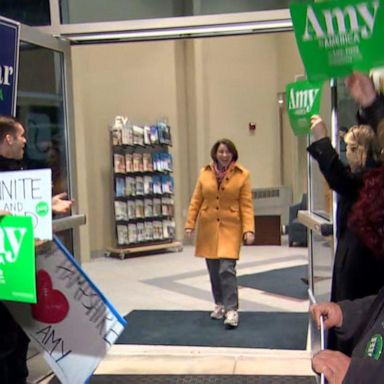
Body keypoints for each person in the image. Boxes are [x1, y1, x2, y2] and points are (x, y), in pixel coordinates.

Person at [0, 115, 72, 384]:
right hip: (3, 272)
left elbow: (21, 211)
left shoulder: (18, 172)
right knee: (4, 342)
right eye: (21, 135)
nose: (25, 141)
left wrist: (46, 205)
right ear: (8, 138)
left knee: (19, 339)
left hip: (20, 269)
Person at [307, 116, 384, 355]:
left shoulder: (370, 178)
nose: (347, 154)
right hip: (357, 261)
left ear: (363, 151)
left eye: (351, 149)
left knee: (354, 323)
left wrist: (321, 138)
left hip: (363, 266)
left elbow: (338, 177)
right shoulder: (365, 177)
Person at [185, 138, 255, 328]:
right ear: (215, 154)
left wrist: (249, 229)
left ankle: (232, 309)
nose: (224, 155)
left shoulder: (242, 175)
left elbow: (246, 206)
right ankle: (220, 304)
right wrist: (189, 224)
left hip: (230, 228)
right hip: (208, 229)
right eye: (221, 152)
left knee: (226, 269)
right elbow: (196, 200)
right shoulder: (204, 173)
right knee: (214, 270)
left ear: (233, 154)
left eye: (227, 152)